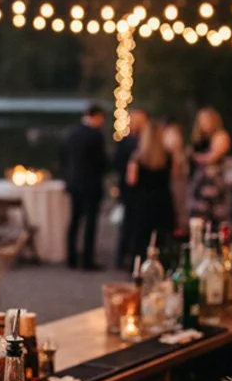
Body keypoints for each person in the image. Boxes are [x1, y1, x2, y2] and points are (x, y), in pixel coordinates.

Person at [62, 103, 109, 270]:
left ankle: (71, 256)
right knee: (90, 223)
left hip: (74, 184)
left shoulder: (72, 133)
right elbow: (101, 162)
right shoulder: (95, 136)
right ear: (96, 116)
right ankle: (87, 259)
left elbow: (63, 158)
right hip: (90, 185)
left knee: (74, 220)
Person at [128, 120, 175, 266]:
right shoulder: (167, 156)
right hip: (162, 199)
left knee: (141, 237)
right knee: (161, 238)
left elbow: (131, 180)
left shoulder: (138, 157)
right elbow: (173, 177)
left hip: (143, 200)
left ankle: (139, 266)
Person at [113, 106, 148, 268]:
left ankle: (125, 255)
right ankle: (126, 255)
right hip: (133, 189)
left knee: (130, 224)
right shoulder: (133, 143)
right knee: (130, 224)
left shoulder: (130, 142)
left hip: (135, 189)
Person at [187, 107, 232, 227]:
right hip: (200, 183)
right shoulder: (199, 139)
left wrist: (197, 157)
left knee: (217, 216)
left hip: (214, 182)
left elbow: (213, 157)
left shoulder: (221, 136)